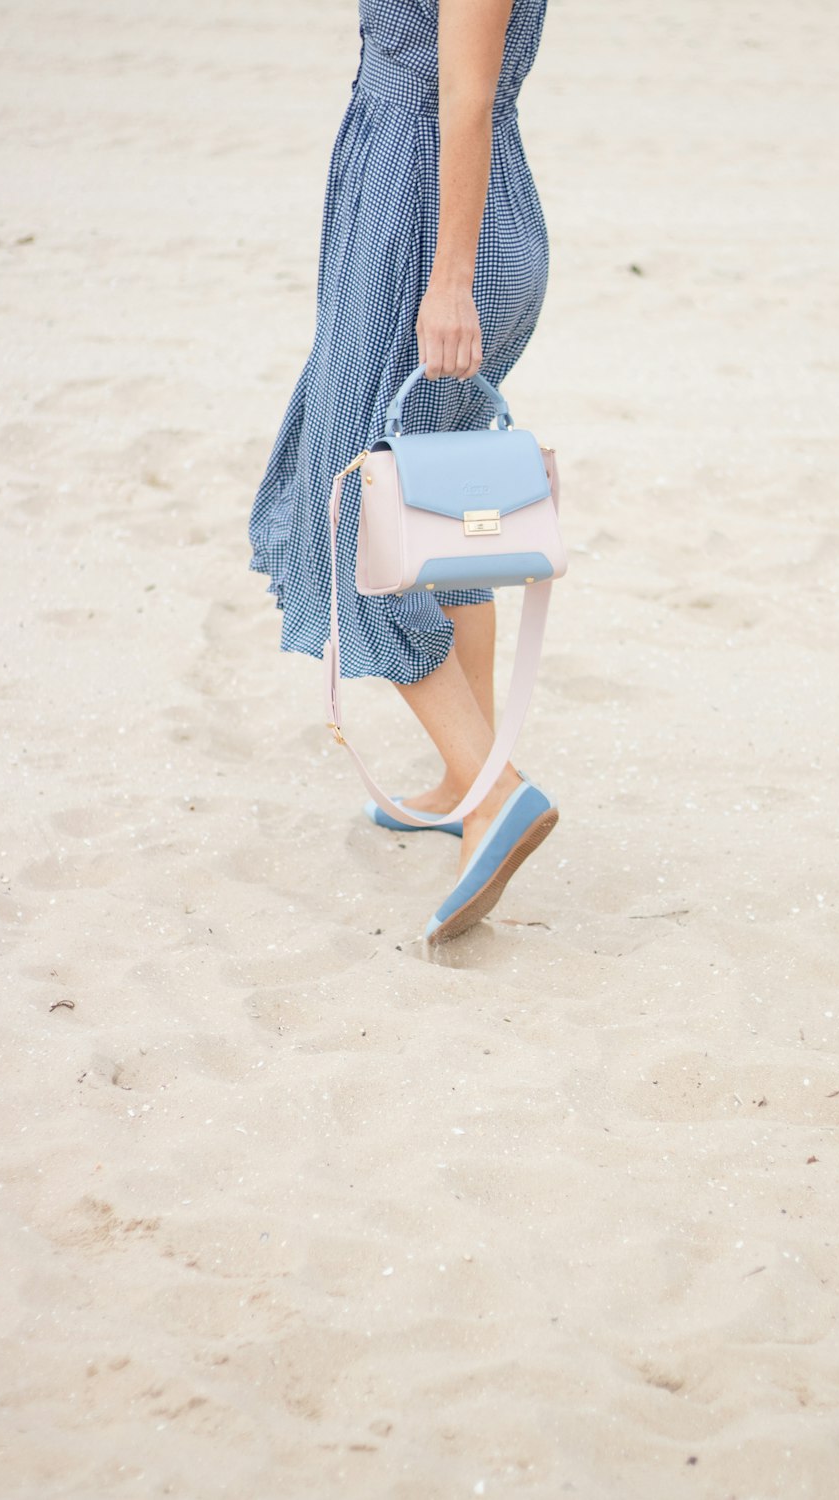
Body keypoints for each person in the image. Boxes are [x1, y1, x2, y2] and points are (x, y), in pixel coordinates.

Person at [248, 0, 557, 943]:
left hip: (426, 235)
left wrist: (449, 278)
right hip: (408, 214)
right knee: (435, 513)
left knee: (350, 513)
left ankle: (494, 784)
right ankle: (471, 777)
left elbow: (465, 94)